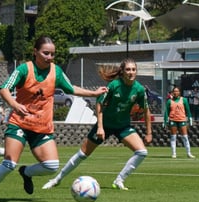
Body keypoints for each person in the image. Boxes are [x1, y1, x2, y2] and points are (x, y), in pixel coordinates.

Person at [0, 35, 108, 202]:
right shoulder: (24, 69)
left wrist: (94, 93)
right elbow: (4, 89)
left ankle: (26, 172)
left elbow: (70, 88)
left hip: (42, 127)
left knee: (51, 166)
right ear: (35, 52)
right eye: (46, 53)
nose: (50, 57)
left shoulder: (56, 71)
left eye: (52, 54)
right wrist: (15, 105)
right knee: (9, 164)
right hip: (20, 124)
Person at [43, 58, 152, 191]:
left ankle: (119, 180)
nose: (131, 72)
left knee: (141, 152)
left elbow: (146, 111)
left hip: (123, 126)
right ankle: (56, 179)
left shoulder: (139, 89)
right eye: (128, 69)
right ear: (122, 71)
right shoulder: (114, 85)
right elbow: (99, 104)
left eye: (133, 69)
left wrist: (149, 133)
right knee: (83, 154)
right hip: (105, 124)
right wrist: (100, 127)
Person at [163, 86, 195, 159]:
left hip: (182, 120)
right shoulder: (169, 101)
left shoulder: (184, 100)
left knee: (185, 137)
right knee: (173, 137)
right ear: (172, 92)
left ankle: (189, 153)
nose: (175, 92)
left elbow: (188, 110)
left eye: (177, 91)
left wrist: (190, 118)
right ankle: (174, 153)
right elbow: (166, 112)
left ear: (179, 92)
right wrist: (165, 121)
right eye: (174, 91)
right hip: (173, 120)